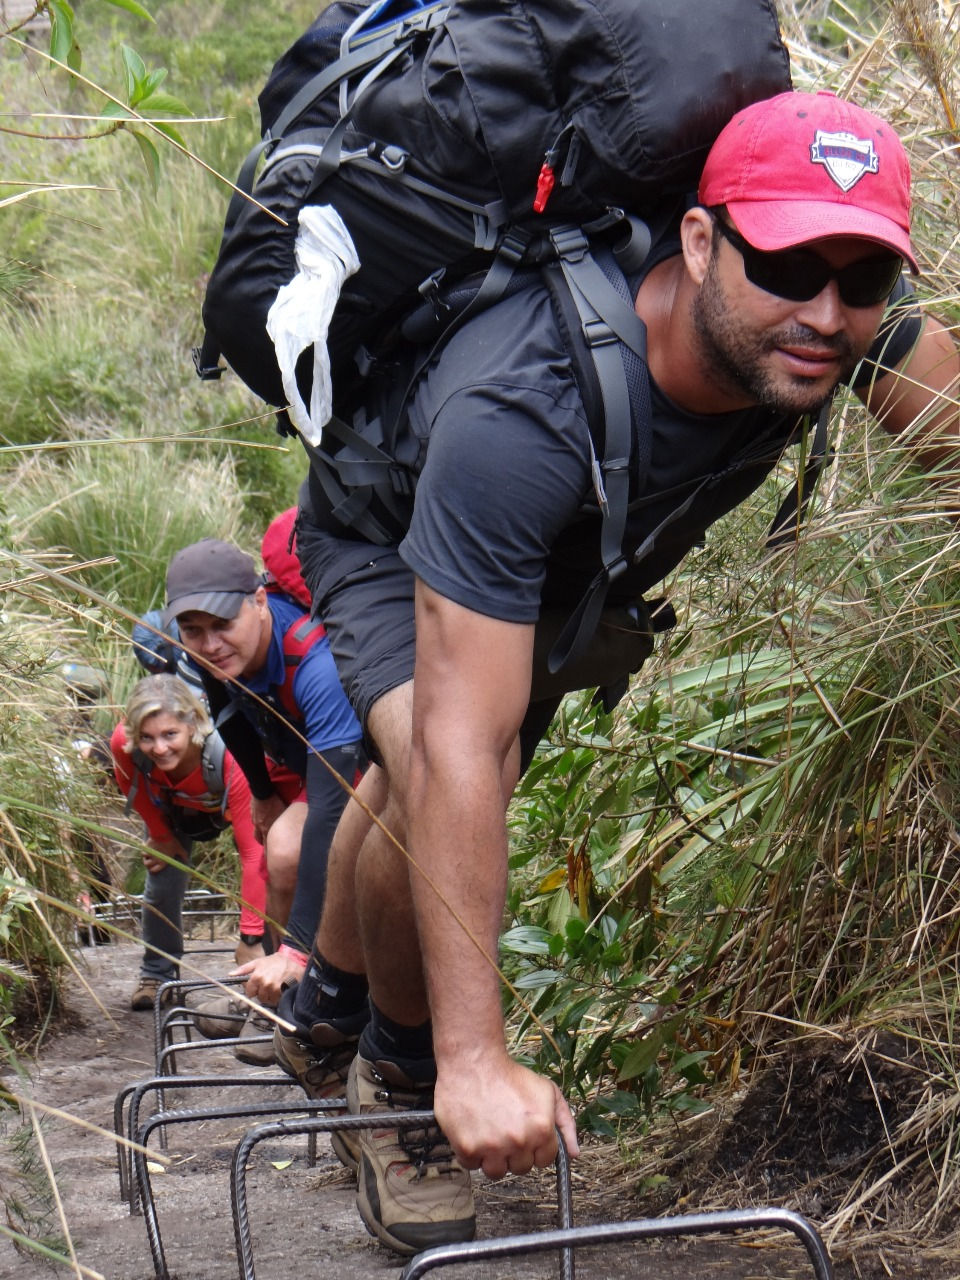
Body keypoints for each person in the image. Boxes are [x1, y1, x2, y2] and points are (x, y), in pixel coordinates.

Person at [267, 89, 959, 1256]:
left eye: (863, 279)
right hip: (394, 530)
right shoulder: (520, 414)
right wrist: (476, 1057)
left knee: (433, 776)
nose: (826, 311)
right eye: (789, 264)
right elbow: (460, 746)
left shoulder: (835, 325)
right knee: (439, 764)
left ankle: (329, 1002)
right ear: (700, 242)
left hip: (566, 557)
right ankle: (396, 1072)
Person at [162, 536, 366, 1040]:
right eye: (193, 631)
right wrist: (261, 791)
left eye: (222, 626)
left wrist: (297, 944)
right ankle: (284, 997)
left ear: (257, 602)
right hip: (300, 763)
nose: (209, 645)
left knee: (289, 847)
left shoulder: (315, 663)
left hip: (367, 765)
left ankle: (303, 978)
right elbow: (230, 716)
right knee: (277, 843)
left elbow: (331, 811)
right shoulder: (212, 655)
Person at [111, 674, 269, 1021]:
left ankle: (267, 968)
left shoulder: (230, 754)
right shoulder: (125, 744)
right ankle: (157, 973)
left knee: (277, 871)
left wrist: (251, 934)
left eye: (170, 735)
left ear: (193, 725)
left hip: (230, 799)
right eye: (147, 738)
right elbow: (129, 782)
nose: (159, 748)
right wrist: (159, 834)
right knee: (161, 882)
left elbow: (253, 855)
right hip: (172, 807)